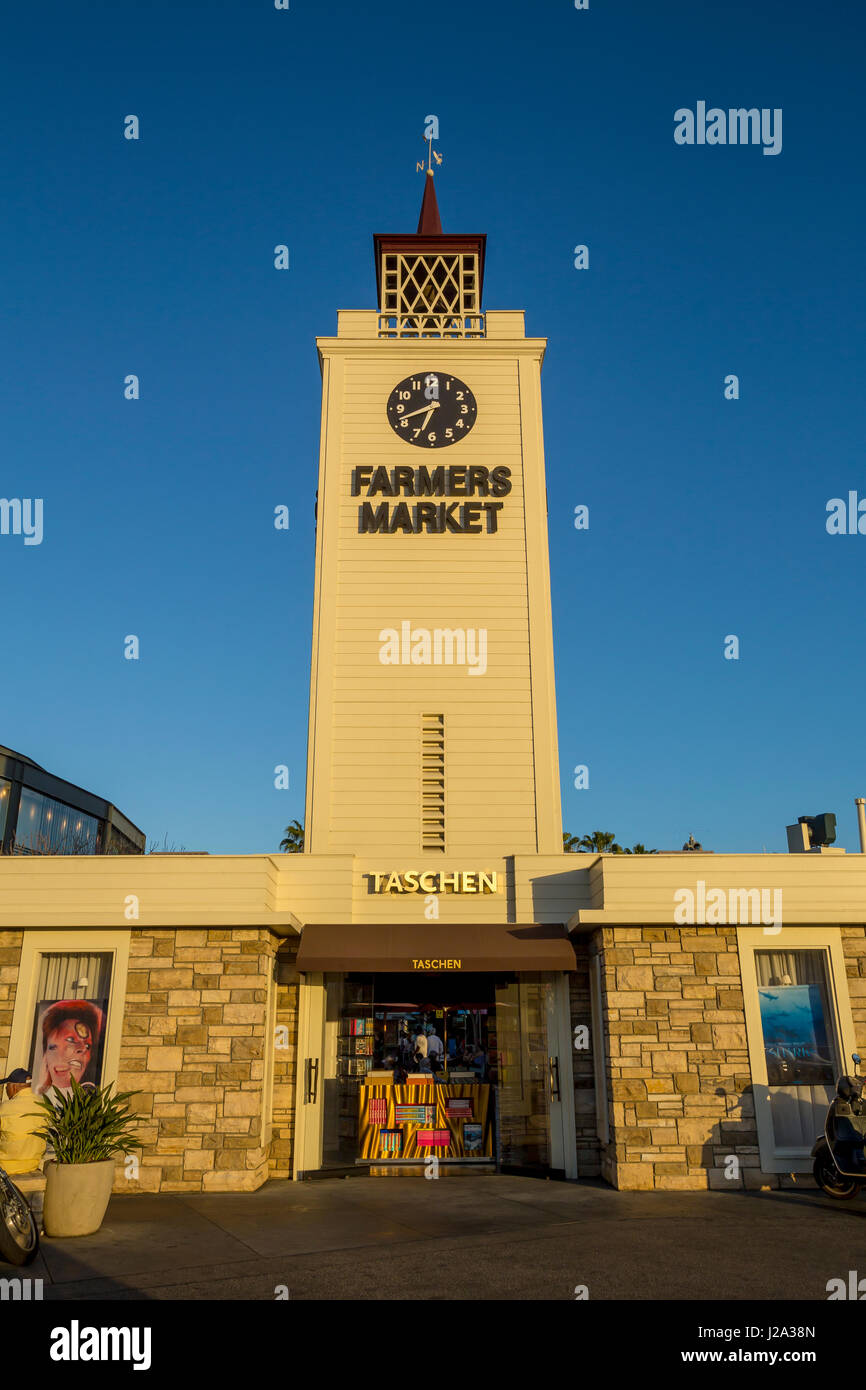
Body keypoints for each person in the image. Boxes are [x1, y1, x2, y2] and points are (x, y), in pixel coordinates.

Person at [35, 999, 104, 1099]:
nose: (82, 1048)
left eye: (88, 1045)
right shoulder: (37, 1098)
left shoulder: (88, 1098)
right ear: (48, 1049)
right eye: (71, 1040)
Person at [0, 1067, 47, 1176]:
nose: (6, 1090)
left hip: (5, 1167)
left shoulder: (5, 1108)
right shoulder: (43, 1105)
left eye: (6, 1086)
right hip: (32, 1165)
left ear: (13, 1087)